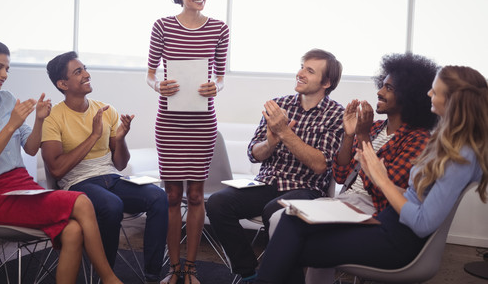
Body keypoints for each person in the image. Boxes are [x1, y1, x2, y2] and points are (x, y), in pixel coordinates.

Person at [254, 65, 488, 284]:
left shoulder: (460, 155)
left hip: (397, 240)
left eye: (435, 91)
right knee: (291, 219)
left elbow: (422, 222)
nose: (428, 93)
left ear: (453, 101)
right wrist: (368, 162)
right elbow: (410, 195)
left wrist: (380, 178)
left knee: (289, 242)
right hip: (387, 222)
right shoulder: (450, 144)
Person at [0, 40, 122, 284]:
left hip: (25, 186)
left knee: (72, 231)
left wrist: (39, 120)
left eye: (7, 69)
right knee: (81, 201)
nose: (4, 74)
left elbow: (30, 149)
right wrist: (11, 126)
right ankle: (110, 279)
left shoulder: (6, 99)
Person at [206, 49, 345, 283]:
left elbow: (320, 165)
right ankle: (249, 273)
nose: (300, 73)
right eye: (302, 66)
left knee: (275, 211)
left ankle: (280, 277)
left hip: (306, 188)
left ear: (327, 82)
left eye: (309, 71)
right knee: (218, 203)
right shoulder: (278, 105)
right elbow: (253, 153)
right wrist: (270, 142)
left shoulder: (336, 114)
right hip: (266, 183)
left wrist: (284, 132)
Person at [41, 51, 168, 284]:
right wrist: (93, 135)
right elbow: (57, 170)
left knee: (159, 197)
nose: (87, 74)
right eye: (78, 72)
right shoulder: (52, 118)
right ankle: (105, 276)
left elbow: (120, 164)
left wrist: (120, 138)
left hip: (111, 178)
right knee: (112, 205)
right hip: (77, 185)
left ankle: (152, 275)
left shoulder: (106, 110)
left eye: (85, 68)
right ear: (62, 83)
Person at [146, 0, 229, 284]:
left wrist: (215, 87)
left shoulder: (219, 28)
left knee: (195, 196)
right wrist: (158, 86)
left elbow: (221, 76)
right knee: (170, 196)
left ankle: (190, 269)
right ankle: (173, 268)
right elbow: (151, 72)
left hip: (202, 122)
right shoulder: (162, 26)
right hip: (169, 122)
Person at [332, 53, 439, 215]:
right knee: (283, 217)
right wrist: (349, 135)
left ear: (409, 97)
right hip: (344, 199)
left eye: (388, 88)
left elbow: (384, 189)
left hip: (373, 209)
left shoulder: (418, 139)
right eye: (382, 85)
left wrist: (362, 136)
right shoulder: (373, 128)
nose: (379, 92)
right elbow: (340, 176)